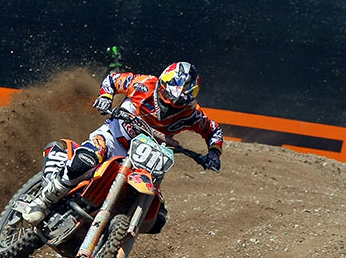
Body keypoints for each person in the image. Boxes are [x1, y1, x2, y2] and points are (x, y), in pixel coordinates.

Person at [22, 48, 224, 225]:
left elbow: (214, 130)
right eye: (168, 97)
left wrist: (214, 154)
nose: (170, 104)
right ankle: (42, 201)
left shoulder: (191, 114)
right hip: (113, 138)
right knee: (85, 160)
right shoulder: (144, 84)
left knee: (158, 217)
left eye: (177, 101)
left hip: (146, 159)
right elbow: (113, 80)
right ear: (162, 84)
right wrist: (105, 97)